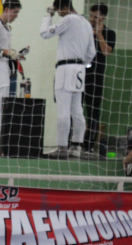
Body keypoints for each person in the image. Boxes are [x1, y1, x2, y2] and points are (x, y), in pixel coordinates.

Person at [41, 0, 96, 159]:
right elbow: (91, 52)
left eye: (59, 10)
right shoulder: (86, 23)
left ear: (65, 8)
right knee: (77, 109)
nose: (59, 13)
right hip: (80, 70)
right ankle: (77, 145)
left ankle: (62, 147)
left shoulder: (69, 19)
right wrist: (81, 64)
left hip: (65, 69)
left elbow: (45, 33)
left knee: (63, 109)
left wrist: (48, 15)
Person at [0, 0, 24, 154]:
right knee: (0, 106)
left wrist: (14, 53)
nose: (16, 16)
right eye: (15, 12)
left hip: (4, 67)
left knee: (1, 106)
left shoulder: (5, 27)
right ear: (6, 9)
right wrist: (7, 52)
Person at [84, 3, 116, 155]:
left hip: (96, 77)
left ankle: (89, 145)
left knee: (93, 111)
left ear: (103, 17)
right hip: (81, 75)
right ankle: (74, 143)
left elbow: (106, 52)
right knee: (76, 109)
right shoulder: (84, 30)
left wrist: (99, 34)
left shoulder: (109, 33)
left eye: (96, 17)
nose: (92, 19)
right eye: (91, 16)